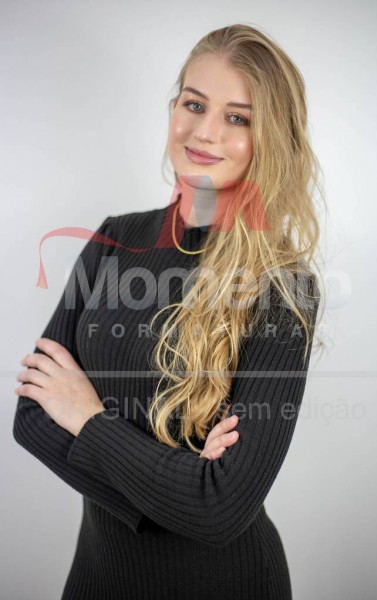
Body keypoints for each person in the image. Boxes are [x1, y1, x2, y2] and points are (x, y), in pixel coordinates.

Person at [13, 23, 325, 600]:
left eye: (238, 117)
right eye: (194, 104)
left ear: (271, 138)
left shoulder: (283, 286)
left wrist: (86, 416)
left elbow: (221, 509)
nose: (204, 131)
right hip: (96, 580)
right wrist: (180, 490)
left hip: (228, 584)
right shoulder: (114, 240)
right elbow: (31, 415)